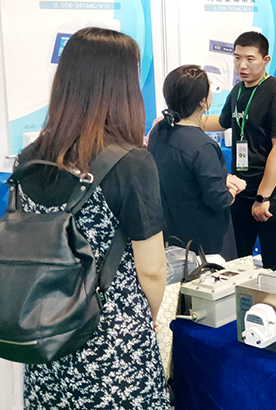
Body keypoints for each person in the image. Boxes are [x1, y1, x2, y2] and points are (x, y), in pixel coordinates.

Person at [15, 27, 168, 409]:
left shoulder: (29, 159)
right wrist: (143, 316)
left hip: (45, 338)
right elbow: (152, 271)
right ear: (122, 88)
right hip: (112, 346)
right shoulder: (132, 163)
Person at [200, 31, 276, 269]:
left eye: (250, 59)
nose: (241, 65)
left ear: (266, 60)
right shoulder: (237, 91)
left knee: (274, 264)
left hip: (272, 194)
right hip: (242, 190)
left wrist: (263, 198)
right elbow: (222, 122)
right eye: (237, 58)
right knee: (237, 262)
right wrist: (185, 121)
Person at [147, 65, 247, 259]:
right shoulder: (203, 146)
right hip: (206, 243)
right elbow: (219, 200)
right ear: (202, 101)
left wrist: (221, 178)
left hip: (172, 233)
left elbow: (180, 175)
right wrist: (233, 189)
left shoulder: (159, 131)